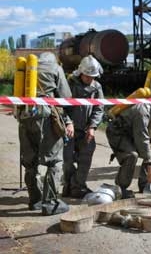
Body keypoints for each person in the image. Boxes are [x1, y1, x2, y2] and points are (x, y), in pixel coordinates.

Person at [17, 52, 74, 215]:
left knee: (30, 162)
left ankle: (35, 200)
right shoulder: (56, 68)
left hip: (24, 115)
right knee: (54, 160)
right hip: (46, 116)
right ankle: (50, 203)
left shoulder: (27, 69)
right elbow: (66, 96)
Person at [106, 103, 151, 198]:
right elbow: (142, 140)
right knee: (131, 155)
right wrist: (150, 166)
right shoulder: (142, 113)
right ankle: (120, 189)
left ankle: (145, 185)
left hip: (132, 133)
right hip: (118, 133)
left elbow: (147, 138)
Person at [62, 55, 105, 198]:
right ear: (81, 72)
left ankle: (78, 186)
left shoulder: (97, 87)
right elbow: (61, 106)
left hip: (86, 129)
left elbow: (99, 109)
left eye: (93, 77)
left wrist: (92, 126)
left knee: (85, 158)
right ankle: (69, 186)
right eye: (87, 76)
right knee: (67, 159)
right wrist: (68, 122)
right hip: (69, 128)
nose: (90, 79)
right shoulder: (69, 84)